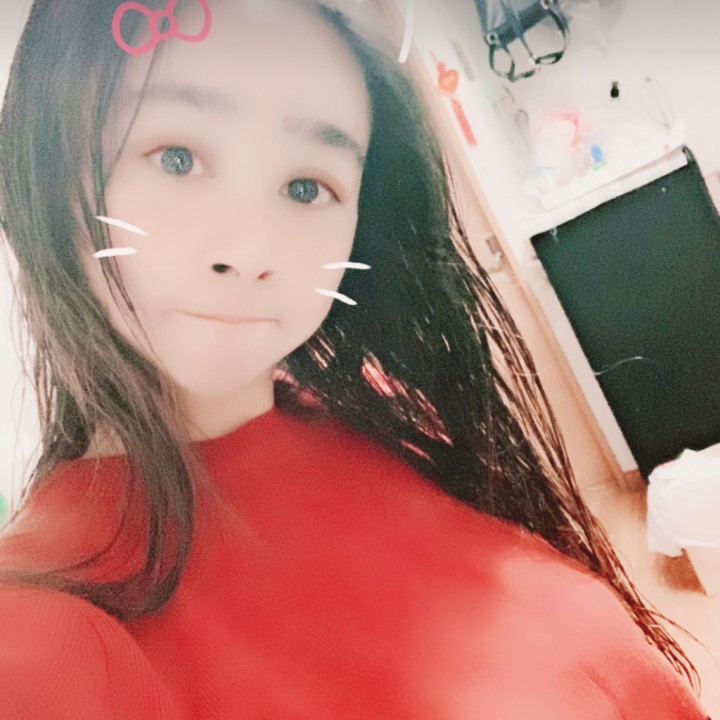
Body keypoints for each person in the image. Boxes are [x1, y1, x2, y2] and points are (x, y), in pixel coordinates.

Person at [0, 0, 711, 717]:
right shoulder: (40, 632)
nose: (250, 252)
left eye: (307, 187)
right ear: (44, 170)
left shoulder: (387, 408)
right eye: (177, 158)